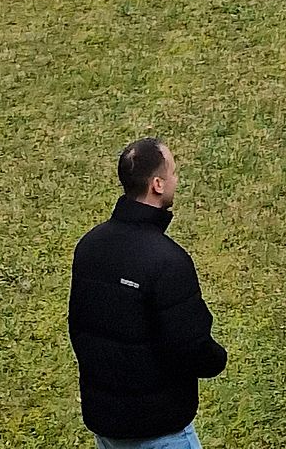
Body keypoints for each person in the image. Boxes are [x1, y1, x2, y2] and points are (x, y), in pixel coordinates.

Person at [68, 137, 227, 449]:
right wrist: (217, 359)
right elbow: (192, 346)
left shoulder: (89, 246)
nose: (176, 180)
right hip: (161, 430)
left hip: (107, 426)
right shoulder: (167, 261)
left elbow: (81, 330)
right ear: (157, 184)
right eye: (173, 173)